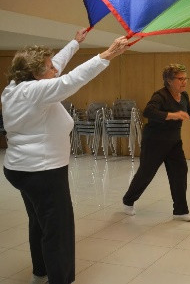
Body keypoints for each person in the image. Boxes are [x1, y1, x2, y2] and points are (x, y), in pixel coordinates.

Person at [2, 29, 129, 284]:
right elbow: (70, 80)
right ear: (35, 73)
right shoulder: (35, 92)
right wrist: (106, 55)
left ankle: (40, 272)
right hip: (43, 171)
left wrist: (74, 43)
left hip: (21, 168)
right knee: (58, 229)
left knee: (39, 221)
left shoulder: (15, 88)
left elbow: (57, 66)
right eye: (47, 68)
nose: (54, 70)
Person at [122, 64, 190, 220]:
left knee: (180, 172)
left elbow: (188, 111)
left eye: (185, 78)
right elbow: (148, 111)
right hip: (154, 141)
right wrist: (173, 115)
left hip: (174, 141)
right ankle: (128, 200)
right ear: (169, 80)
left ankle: (181, 211)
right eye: (180, 79)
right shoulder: (160, 95)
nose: (184, 82)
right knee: (146, 173)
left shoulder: (184, 96)